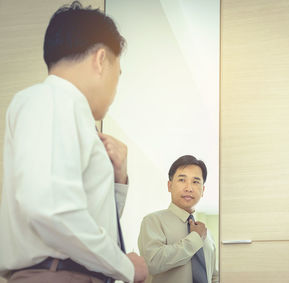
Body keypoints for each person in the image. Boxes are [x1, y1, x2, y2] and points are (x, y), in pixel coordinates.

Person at [0, 1, 148, 282]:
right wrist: (126, 266)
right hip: (60, 274)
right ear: (101, 60)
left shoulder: (67, 113)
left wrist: (117, 180)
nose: (115, 88)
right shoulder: (53, 100)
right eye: (118, 74)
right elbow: (52, 210)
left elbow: (88, 220)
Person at [138, 155, 219, 283]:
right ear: (169, 186)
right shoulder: (153, 221)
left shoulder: (207, 234)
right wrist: (195, 239)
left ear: (203, 190)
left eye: (195, 182)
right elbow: (153, 263)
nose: (189, 188)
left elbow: (214, 276)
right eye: (182, 180)